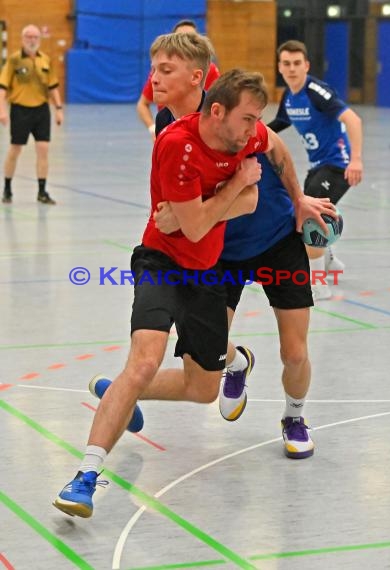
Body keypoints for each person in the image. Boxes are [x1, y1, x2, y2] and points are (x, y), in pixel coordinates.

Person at [53, 38, 282, 518]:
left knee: (203, 389)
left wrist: (286, 199)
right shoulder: (175, 143)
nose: (254, 129)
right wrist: (233, 189)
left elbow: (253, 200)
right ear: (218, 111)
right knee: (144, 360)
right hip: (160, 263)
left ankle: (120, 391)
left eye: (164, 69)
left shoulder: (248, 134)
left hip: (208, 272)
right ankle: (85, 477)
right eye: (248, 119)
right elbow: (197, 223)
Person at [151, 39, 336, 460]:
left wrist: (299, 199)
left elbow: (278, 148)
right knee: (203, 346)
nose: (158, 78)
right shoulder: (170, 133)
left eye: (168, 69)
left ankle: (294, 416)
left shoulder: (236, 115)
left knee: (295, 351)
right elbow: (181, 206)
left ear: (197, 76)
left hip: (276, 239)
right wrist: (179, 220)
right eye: (157, 70)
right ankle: (236, 363)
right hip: (224, 251)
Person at [268, 39, 363, 300]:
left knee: (310, 216)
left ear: (306, 65)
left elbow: (353, 119)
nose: (292, 69)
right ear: (280, 67)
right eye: (286, 64)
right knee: (313, 210)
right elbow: (279, 123)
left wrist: (355, 160)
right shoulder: (289, 97)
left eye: (297, 63)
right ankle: (329, 260)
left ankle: (319, 284)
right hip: (317, 166)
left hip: (337, 165)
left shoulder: (316, 91)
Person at [0, 24, 64, 205]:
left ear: (39, 39)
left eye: (35, 37)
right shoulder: (14, 60)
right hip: (20, 110)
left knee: (43, 149)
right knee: (15, 149)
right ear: (22, 39)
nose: (32, 40)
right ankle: (7, 188)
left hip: (41, 110)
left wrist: (58, 109)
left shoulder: (45, 60)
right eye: (28, 36)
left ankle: (42, 191)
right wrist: (2, 110)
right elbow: (2, 88)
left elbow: (53, 87)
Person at [136, 19, 219, 141]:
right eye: (153, 69)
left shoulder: (221, 123)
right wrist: (152, 127)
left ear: (196, 77)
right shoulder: (163, 120)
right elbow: (142, 104)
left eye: (167, 70)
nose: (154, 79)